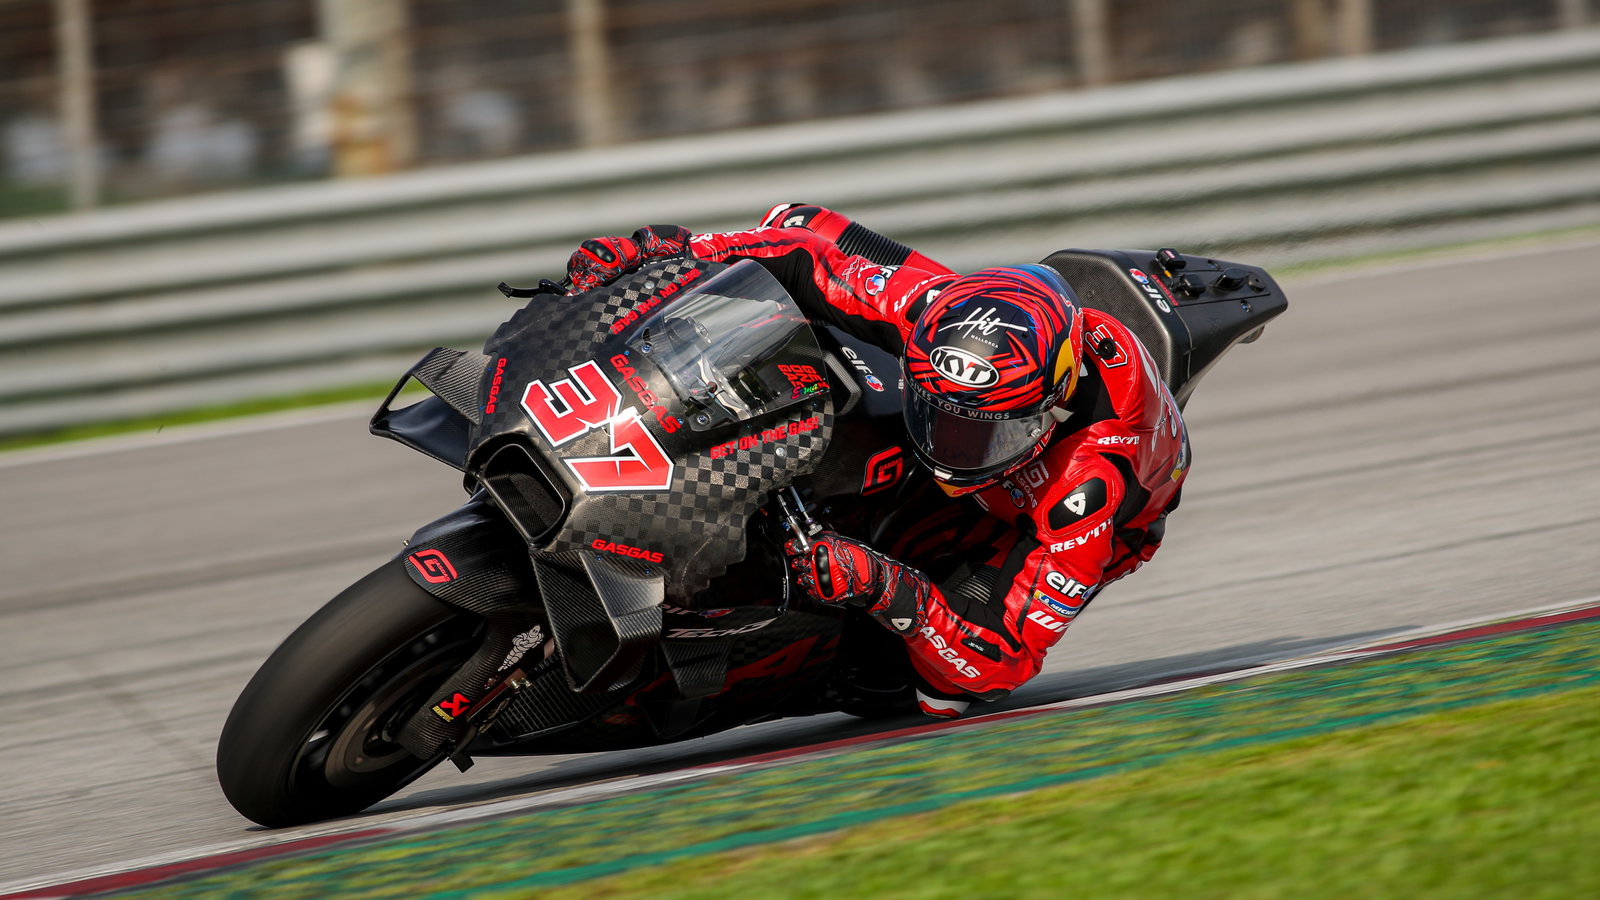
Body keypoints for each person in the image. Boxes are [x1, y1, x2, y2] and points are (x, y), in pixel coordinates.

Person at [564, 204, 1189, 718]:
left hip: (1021, 514)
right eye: (940, 417)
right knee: (803, 277)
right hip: (990, 361)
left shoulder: (1090, 485)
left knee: (934, 691)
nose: (949, 450)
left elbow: (999, 661)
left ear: (1047, 414)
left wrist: (890, 588)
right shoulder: (928, 308)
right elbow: (803, 245)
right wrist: (664, 249)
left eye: (981, 435)